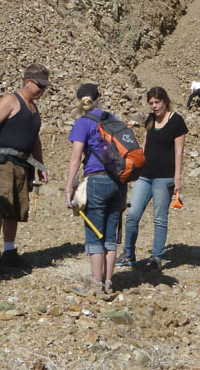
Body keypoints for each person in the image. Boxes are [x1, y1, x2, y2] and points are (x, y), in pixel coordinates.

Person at [0, 64, 50, 271]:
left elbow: (35, 139)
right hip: (4, 162)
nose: (43, 90)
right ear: (28, 82)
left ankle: (9, 251)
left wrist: (40, 164)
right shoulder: (11, 100)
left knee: (16, 208)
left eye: (45, 87)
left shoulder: (34, 108)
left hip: (23, 165)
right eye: (40, 85)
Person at [116, 87, 188, 271]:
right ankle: (128, 253)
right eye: (151, 103)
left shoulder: (176, 121)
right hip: (145, 175)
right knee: (132, 214)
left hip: (165, 177)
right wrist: (134, 170)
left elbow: (179, 151)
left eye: (157, 102)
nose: (154, 106)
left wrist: (177, 177)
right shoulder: (150, 119)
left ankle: (157, 256)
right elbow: (145, 145)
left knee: (159, 218)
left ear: (165, 101)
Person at [65, 83, 127, 295]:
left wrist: (69, 187)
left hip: (97, 181)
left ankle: (95, 284)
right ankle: (109, 282)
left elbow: (75, 157)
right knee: (110, 235)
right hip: (119, 182)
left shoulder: (83, 123)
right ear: (99, 98)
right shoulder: (113, 119)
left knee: (94, 233)